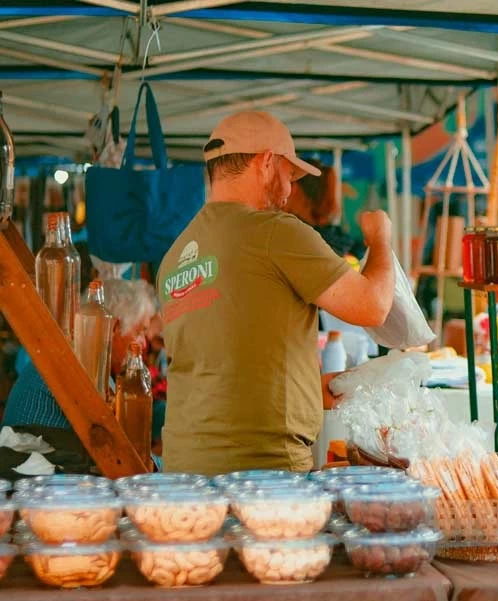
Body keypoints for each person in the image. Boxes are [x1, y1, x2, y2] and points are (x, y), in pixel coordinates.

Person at [157, 111, 395, 476]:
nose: (288, 191)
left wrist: (307, 389)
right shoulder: (276, 232)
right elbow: (374, 306)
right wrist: (380, 238)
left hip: (182, 470)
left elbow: (225, 366)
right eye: (289, 175)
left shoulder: (175, 256)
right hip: (263, 471)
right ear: (267, 162)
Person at [2, 279, 161, 464]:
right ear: (114, 328)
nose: (143, 344)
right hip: (31, 477)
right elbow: (123, 457)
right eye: (140, 332)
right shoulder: (84, 368)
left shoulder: (76, 357)